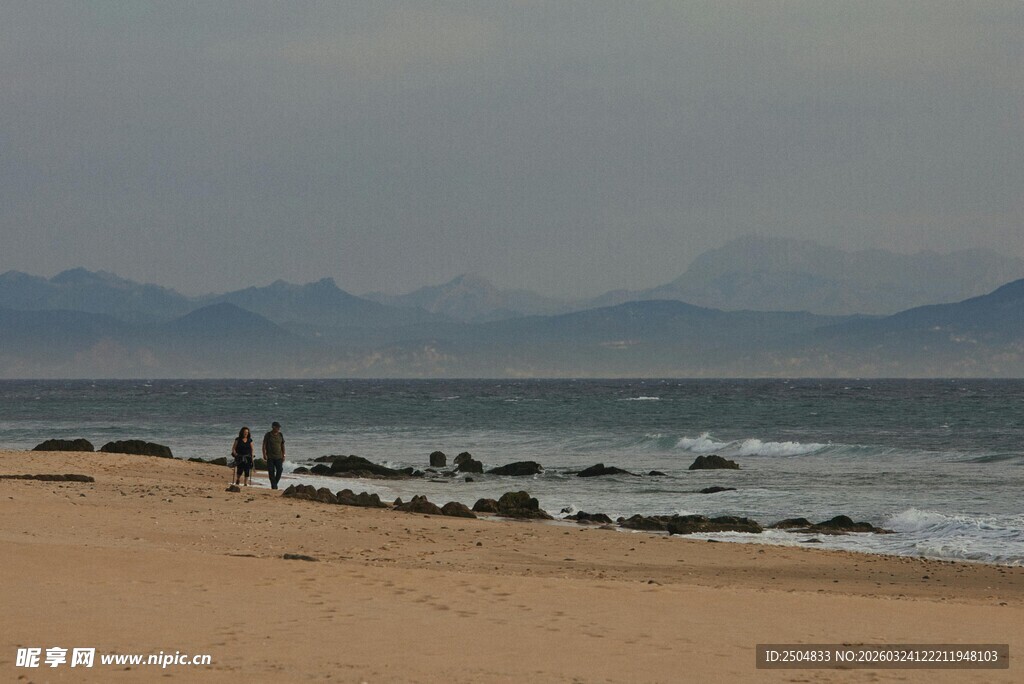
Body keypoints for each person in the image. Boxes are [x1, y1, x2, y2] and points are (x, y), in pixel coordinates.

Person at [262, 421, 285, 489]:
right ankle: (274, 486)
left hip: (279, 456)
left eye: (279, 427)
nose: (278, 428)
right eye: (277, 427)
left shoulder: (280, 435)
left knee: (280, 470)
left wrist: (284, 455)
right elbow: (264, 445)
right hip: (270, 456)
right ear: (273, 427)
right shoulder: (268, 435)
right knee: (271, 471)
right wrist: (264, 454)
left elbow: (282, 445)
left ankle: (274, 484)